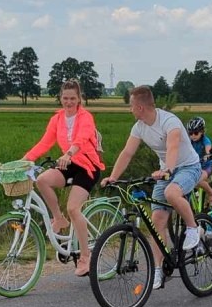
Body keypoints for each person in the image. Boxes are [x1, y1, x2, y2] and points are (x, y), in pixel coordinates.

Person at [103, 85, 202, 290]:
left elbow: (173, 147)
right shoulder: (139, 126)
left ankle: (193, 227)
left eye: (131, 106)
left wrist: (167, 170)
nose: (130, 110)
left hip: (188, 167)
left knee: (171, 192)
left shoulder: (169, 121)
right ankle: (158, 270)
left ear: (140, 107)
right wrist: (113, 177)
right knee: (157, 221)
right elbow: (127, 153)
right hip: (165, 170)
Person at [23, 79, 105, 276]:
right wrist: (24, 160)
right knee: (42, 180)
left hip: (87, 167)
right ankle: (59, 219)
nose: (68, 102)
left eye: (72, 98)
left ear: (79, 99)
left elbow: (81, 139)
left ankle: (86, 257)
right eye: (65, 98)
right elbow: (44, 143)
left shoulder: (86, 117)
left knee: (73, 208)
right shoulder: (57, 119)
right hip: (67, 164)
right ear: (60, 98)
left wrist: (68, 154)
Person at [186, 117, 212, 207]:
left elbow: (208, 149)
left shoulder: (205, 140)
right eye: (190, 133)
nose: (193, 136)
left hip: (206, 166)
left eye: (196, 133)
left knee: (197, 180)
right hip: (195, 166)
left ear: (202, 132)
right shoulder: (189, 141)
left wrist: (208, 155)